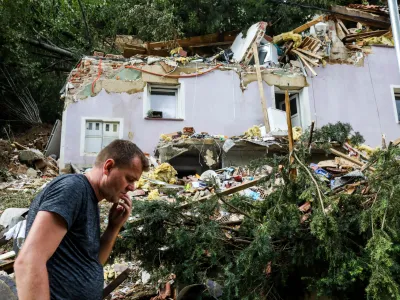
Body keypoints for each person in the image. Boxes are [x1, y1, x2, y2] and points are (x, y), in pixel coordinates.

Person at [15, 139, 149, 300]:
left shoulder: (90, 199)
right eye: (129, 178)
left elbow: (93, 262)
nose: (132, 187)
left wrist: (113, 227)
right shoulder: (73, 189)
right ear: (108, 167)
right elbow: (29, 262)